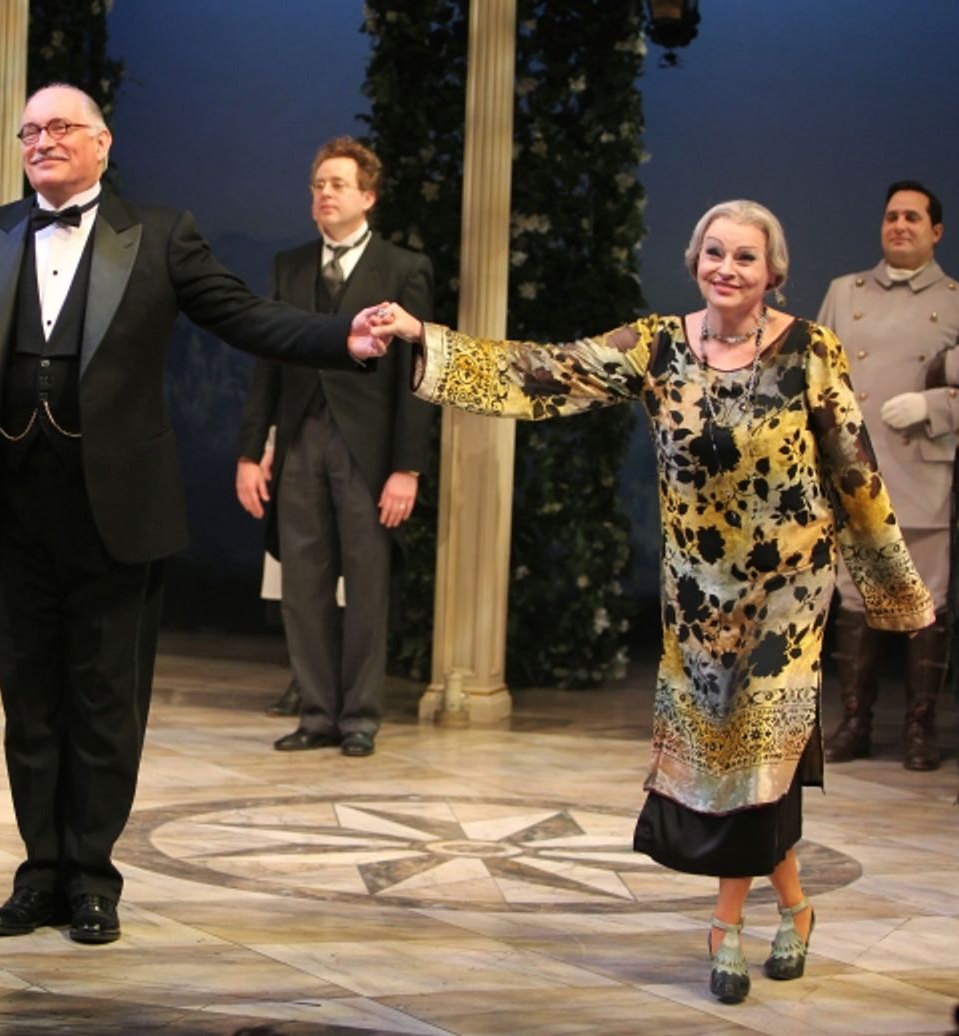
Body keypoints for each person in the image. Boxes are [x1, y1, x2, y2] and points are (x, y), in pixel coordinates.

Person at [371, 200, 934, 1004]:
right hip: (701, 602)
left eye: (745, 257)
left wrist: (895, 593)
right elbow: (548, 370)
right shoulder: (657, 344)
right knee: (730, 767)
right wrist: (426, 338)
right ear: (694, 260)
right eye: (714, 253)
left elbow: (855, 470)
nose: (726, 269)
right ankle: (798, 908)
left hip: (787, 598)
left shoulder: (812, 349)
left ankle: (726, 931)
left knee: (754, 763)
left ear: (773, 271)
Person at [0, 84, 389, 945]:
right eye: (30, 131)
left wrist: (339, 338)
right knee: (30, 705)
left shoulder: (160, 234)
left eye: (60, 128)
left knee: (105, 701)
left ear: (101, 142)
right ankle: (38, 874)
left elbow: (244, 315)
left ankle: (92, 877)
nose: (42, 141)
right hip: (12, 507)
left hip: (117, 508)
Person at [235, 136, 433, 757]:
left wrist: (406, 467)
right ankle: (316, 712)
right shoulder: (289, 265)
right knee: (304, 583)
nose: (324, 194)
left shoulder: (402, 268)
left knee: (367, 583)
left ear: (367, 196)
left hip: (367, 450)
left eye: (337, 184)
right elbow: (267, 360)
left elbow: (414, 375)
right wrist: (250, 451)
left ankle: (360, 716)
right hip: (299, 441)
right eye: (318, 184)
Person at [817, 181, 959, 771]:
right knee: (854, 602)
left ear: (936, 232)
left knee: (924, 603)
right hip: (856, 471)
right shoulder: (843, 292)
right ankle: (855, 721)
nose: (899, 225)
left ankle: (920, 728)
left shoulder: (954, 299)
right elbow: (815, 374)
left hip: (920, 471)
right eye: (892, 216)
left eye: (913, 217)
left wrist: (938, 407)